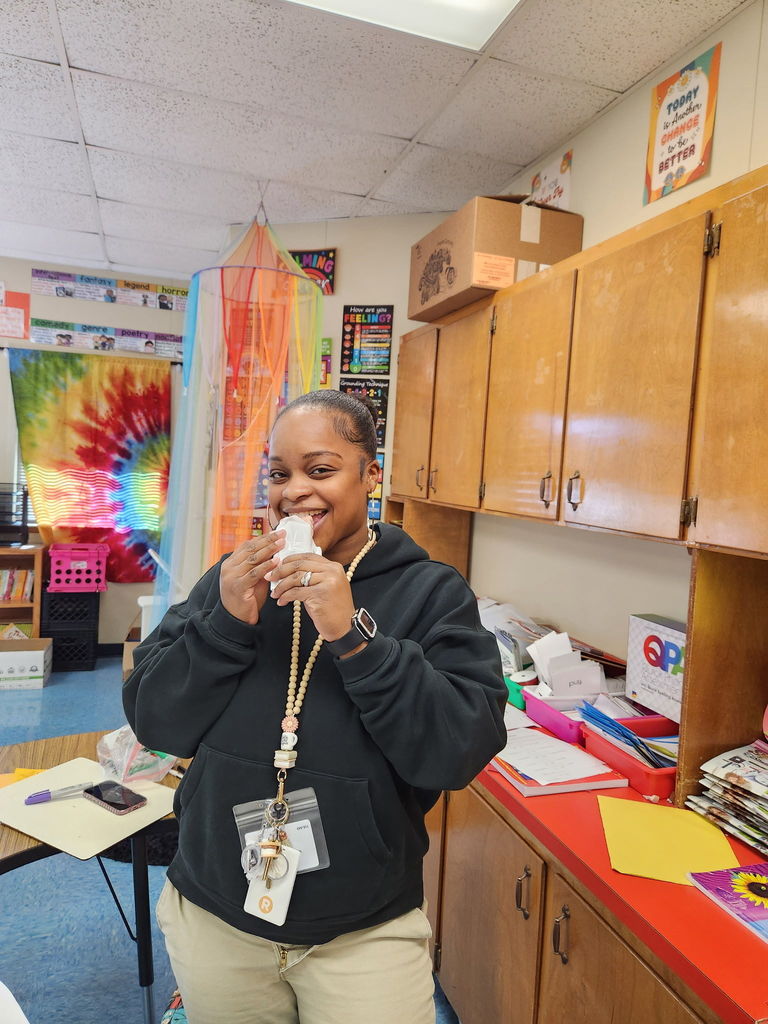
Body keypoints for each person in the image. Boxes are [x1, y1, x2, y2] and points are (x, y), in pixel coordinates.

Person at [123, 389, 506, 1024]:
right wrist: (221, 624)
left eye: (320, 470)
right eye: (279, 473)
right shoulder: (234, 578)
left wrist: (353, 634)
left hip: (362, 929)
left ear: (371, 475)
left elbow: (455, 750)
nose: (294, 490)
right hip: (219, 910)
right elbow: (156, 720)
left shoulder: (431, 592)